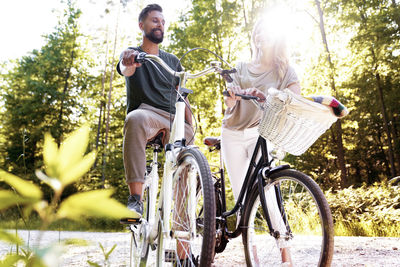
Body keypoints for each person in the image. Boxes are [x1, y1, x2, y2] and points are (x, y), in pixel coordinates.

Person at [221, 17, 301, 266]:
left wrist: (266, 97)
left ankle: (285, 255)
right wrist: (232, 98)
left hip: (261, 134)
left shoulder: (285, 70)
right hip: (232, 134)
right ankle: (251, 256)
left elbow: (294, 101)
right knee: (243, 200)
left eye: (266, 31)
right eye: (257, 31)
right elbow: (229, 102)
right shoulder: (240, 67)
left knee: (268, 193)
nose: (260, 35)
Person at [116, 4, 193, 218]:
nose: (160, 25)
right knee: (135, 119)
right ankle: (135, 201)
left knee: (191, 160)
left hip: (174, 119)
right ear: (142, 25)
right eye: (154, 21)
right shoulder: (133, 54)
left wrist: (191, 126)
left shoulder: (173, 61)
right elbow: (125, 68)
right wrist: (127, 61)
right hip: (147, 114)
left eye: (162, 22)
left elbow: (182, 97)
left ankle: (183, 236)